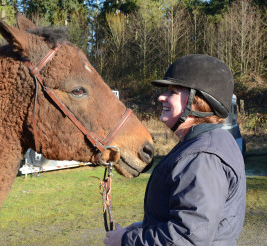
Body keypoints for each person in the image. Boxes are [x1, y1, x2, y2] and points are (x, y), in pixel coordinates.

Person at [103, 54, 246, 246]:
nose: (162, 97)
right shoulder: (209, 142)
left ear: (197, 101)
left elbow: (188, 237)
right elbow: (187, 220)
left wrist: (126, 240)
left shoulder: (201, 157)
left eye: (173, 92)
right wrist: (141, 228)